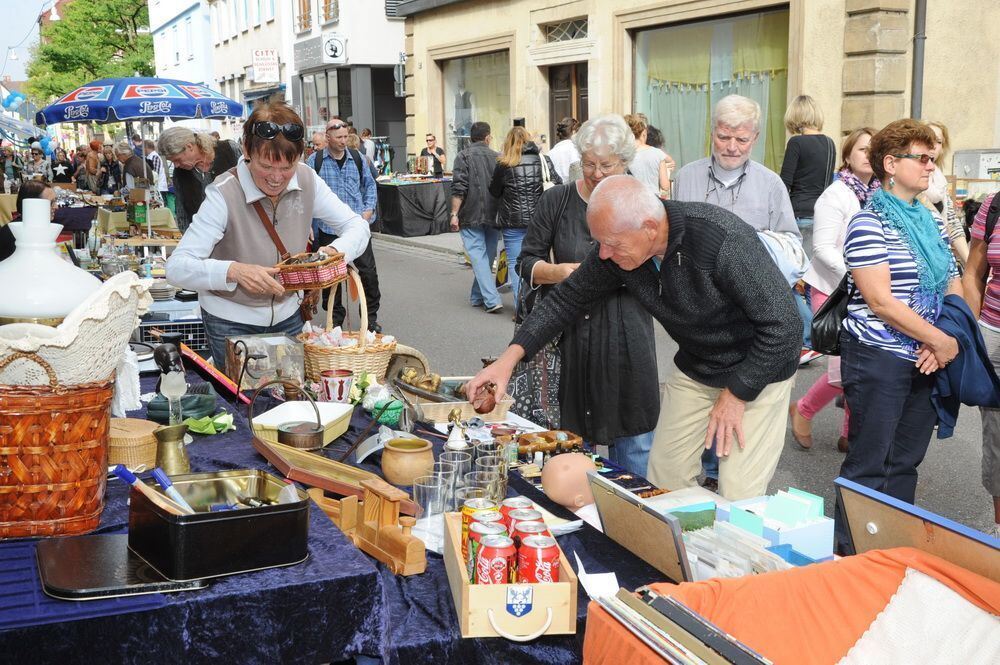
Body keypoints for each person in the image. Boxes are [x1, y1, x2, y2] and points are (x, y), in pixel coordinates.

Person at [469, 175, 800, 500]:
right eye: (600, 243)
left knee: (739, 492)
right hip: (698, 366)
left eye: (611, 244)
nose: (603, 254)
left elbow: (785, 326)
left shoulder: (723, 239)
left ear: (649, 228)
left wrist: (737, 394)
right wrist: (506, 362)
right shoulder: (619, 250)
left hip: (759, 369)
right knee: (665, 479)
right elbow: (565, 299)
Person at [835, 119, 961, 553]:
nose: (930, 166)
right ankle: (849, 556)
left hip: (926, 356)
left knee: (905, 463)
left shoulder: (930, 221)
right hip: (878, 355)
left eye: (933, 158)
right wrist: (938, 340)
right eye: (921, 158)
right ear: (890, 164)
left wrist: (942, 336)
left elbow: (953, 281)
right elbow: (881, 302)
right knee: (869, 462)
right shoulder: (867, 223)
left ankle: (892, 554)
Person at [166, 102, 370, 365]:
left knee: (293, 389)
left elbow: (358, 227)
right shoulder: (224, 193)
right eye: (266, 166)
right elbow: (177, 267)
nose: (276, 178)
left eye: (287, 168)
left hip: (290, 315)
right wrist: (234, 271)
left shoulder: (307, 179)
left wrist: (334, 252)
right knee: (240, 393)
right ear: (247, 150)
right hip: (230, 321)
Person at [516, 116, 660, 475]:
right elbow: (526, 261)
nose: (596, 173)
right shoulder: (557, 200)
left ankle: (631, 504)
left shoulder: (644, 202)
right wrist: (561, 273)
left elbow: (660, 267)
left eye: (606, 165)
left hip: (628, 335)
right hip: (572, 337)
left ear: (625, 161)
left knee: (634, 443)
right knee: (574, 445)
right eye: (589, 163)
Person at [673, 94, 802, 488]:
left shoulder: (771, 184)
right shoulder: (686, 177)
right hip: (701, 321)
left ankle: (721, 481)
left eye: (741, 140)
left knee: (739, 422)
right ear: (712, 132)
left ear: (755, 138)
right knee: (693, 420)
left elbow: (793, 246)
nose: (731, 147)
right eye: (723, 137)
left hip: (750, 321)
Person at [790, 127, 879, 454]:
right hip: (833, 289)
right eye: (862, 149)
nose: (868, 155)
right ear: (847, 155)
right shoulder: (835, 194)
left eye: (874, 149)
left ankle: (848, 433)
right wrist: (859, 276)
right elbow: (823, 249)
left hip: (868, 289)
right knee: (844, 367)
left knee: (860, 365)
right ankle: (803, 409)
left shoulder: (880, 193)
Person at [307, 116, 382, 332]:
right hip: (328, 230)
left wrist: (368, 210)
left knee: (368, 275)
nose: (343, 141)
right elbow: (306, 194)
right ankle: (335, 320)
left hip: (356, 228)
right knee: (331, 280)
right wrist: (306, 224)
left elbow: (370, 186)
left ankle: (370, 318)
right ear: (328, 137)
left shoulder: (357, 158)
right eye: (338, 137)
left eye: (345, 136)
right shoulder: (315, 161)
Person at [963, 190, 1000, 539]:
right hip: (994, 334)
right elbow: (974, 273)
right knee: (998, 440)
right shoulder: (994, 205)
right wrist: (972, 333)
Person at [489, 126, 562, 300]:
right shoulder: (542, 159)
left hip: (512, 221)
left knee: (516, 264)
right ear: (528, 140)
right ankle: (539, 303)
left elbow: (494, 191)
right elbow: (558, 184)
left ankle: (520, 305)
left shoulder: (504, 163)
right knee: (540, 262)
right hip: (540, 221)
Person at [450, 121, 503, 314]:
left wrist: (454, 214)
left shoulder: (463, 156)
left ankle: (487, 298)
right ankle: (482, 297)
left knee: (480, 257)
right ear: (488, 137)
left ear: (471, 138)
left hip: (470, 213)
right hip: (494, 214)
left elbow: (459, 187)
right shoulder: (498, 157)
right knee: (486, 257)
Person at [779, 95, 837, 254]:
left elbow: (784, 184)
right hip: (822, 214)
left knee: (798, 264)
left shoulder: (796, 142)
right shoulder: (830, 143)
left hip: (799, 214)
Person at [157, 127, 242, 232]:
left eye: (177, 160)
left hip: (241, 231)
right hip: (206, 236)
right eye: (172, 161)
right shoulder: (179, 174)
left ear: (189, 146)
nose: (176, 165)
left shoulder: (230, 149)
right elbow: (183, 216)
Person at [924, 120, 969, 268]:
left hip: (939, 256)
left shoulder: (939, 180)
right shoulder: (908, 180)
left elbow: (951, 223)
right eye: (928, 139)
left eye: (938, 142)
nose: (933, 145)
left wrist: (970, 264)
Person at [0, 180, 56, 262]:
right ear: (32, 204)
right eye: (51, 203)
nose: (56, 207)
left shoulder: (34, 228)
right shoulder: (14, 234)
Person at [624, 113, 674, 197]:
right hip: (652, 200)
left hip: (632, 199)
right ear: (644, 133)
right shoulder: (658, 154)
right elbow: (665, 186)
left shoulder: (624, 155)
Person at [547, 117, 580, 182]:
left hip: (556, 187)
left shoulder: (550, 153)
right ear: (573, 132)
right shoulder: (576, 150)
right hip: (572, 186)